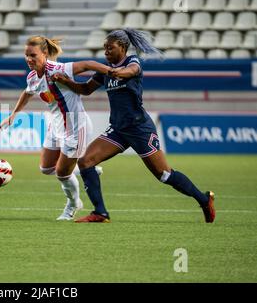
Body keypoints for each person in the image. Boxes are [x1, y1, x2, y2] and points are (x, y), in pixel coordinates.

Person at [51, 28, 215, 223]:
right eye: (104, 48)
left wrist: (112, 71)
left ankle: (204, 199)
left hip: (139, 129)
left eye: (110, 48)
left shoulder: (132, 62)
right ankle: (100, 213)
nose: (106, 52)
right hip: (118, 130)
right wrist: (66, 81)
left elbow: (131, 72)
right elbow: (86, 89)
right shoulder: (106, 70)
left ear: (122, 47)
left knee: (163, 174)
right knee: (86, 162)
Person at [0, 36, 109, 221]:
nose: (28, 59)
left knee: (62, 174)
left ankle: (73, 205)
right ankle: (84, 170)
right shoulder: (33, 77)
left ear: (45, 53)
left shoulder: (59, 69)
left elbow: (89, 64)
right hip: (56, 126)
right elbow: (27, 93)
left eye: (33, 55)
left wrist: (111, 71)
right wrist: (14, 114)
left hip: (76, 127)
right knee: (46, 168)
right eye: (26, 55)